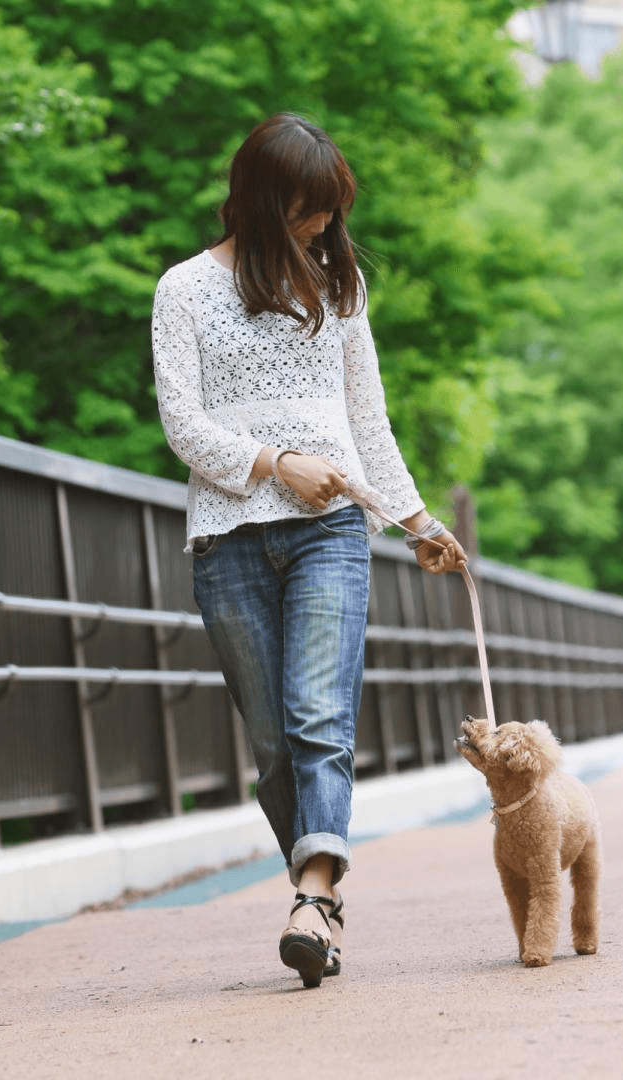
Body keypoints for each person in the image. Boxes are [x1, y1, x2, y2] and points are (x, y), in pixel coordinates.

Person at [151, 113, 468, 988]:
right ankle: (316, 896)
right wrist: (273, 464)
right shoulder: (184, 290)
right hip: (229, 537)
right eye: (306, 208)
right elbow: (183, 424)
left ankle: (315, 898)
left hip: (334, 532)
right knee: (272, 742)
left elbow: (368, 418)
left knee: (319, 721)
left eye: (330, 210)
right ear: (259, 199)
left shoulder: (339, 281)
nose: (322, 226)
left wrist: (415, 522)